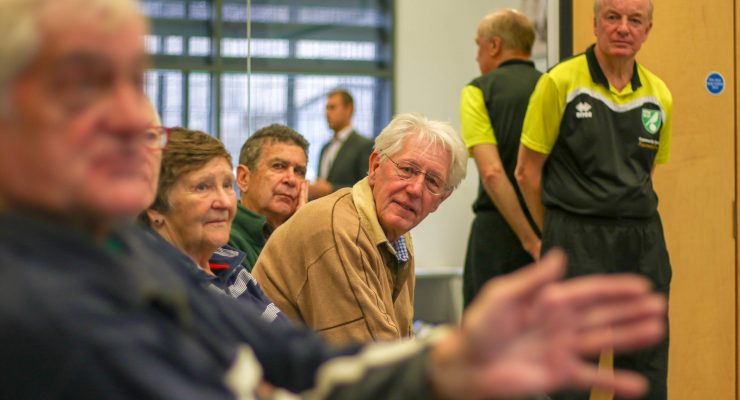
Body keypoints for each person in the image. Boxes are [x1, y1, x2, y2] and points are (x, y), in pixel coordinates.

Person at [0, 0, 668, 398]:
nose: (132, 119)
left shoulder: (124, 250)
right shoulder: (36, 302)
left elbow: (295, 362)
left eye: (136, 83)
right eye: (86, 86)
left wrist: (449, 361)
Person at [515, 0, 671, 398]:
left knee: (645, 369)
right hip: (575, 238)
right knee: (572, 369)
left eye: (635, 20)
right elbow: (527, 172)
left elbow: (645, 172)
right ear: (596, 23)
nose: (623, 28)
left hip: (642, 244)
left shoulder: (659, 96)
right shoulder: (559, 82)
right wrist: (551, 235)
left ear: (647, 30)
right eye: (612, 17)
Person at [250, 113, 472, 344]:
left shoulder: (398, 237)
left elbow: (396, 339)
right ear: (375, 166)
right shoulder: (337, 228)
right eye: (407, 169)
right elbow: (368, 354)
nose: (415, 189)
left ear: (441, 199)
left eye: (432, 181)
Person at [143, 127, 287, 324]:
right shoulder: (155, 283)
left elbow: (283, 334)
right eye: (202, 187)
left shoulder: (228, 263)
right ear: (154, 205)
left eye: (227, 185)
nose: (225, 202)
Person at [460, 9, 543, 308]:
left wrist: (528, 240)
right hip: (548, 228)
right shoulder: (554, 87)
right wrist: (541, 236)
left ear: (494, 45)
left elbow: (492, 173)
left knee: (486, 335)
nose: (476, 55)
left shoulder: (478, 91)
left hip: (496, 236)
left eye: (478, 45)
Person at [229, 123, 309, 271]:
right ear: (243, 178)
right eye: (278, 166)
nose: (291, 180)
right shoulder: (222, 238)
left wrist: (299, 229)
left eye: (299, 171)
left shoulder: (309, 236)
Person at [309, 89, 374, 200]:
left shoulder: (364, 146)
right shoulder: (325, 148)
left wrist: (331, 190)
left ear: (349, 109)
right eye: (326, 108)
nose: (327, 113)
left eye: (332, 107)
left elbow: (366, 188)